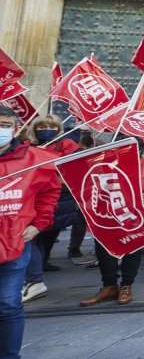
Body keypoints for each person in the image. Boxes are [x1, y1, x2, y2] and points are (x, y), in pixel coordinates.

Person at [80, 142, 144, 306]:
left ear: (141, 150)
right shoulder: (106, 164)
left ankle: (126, 286)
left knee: (132, 250)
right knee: (103, 250)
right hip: (109, 215)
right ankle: (108, 286)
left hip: (136, 217)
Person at [0, 106, 60, 357]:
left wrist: (39, 225)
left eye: (4, 125)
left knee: (8, 304)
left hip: (15, 242)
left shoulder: (36, 159)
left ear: (15, 129)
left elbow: (49, 192)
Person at [21, 116, 78, 303]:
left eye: (52, 126)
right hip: (33, 195)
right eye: (42, 126)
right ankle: (37, 271)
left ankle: (35, 277)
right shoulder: (26, 145)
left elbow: (74, 166)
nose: (47, 129)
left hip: (58, 196)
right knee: (37, 236)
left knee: (40, 234)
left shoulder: (66, 144)